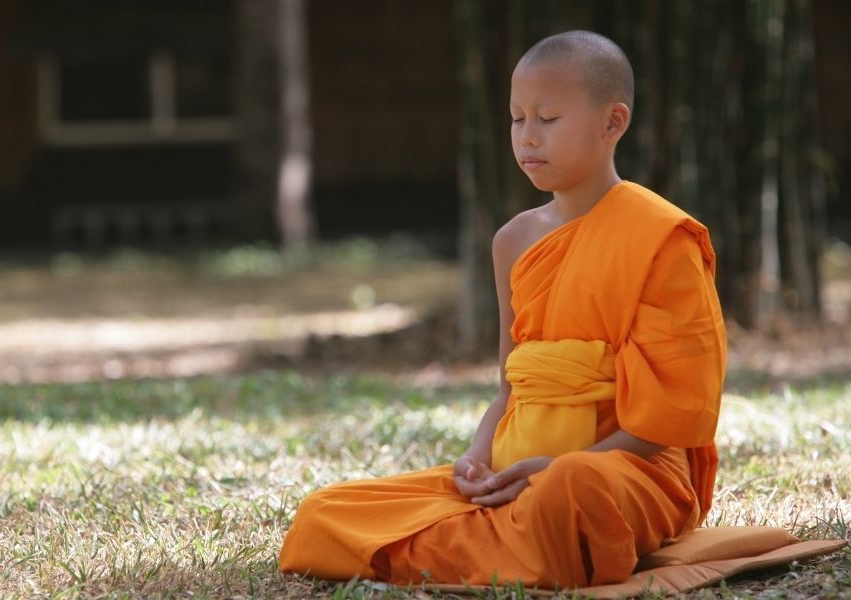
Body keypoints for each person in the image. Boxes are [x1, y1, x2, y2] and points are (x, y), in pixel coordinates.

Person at [279, 30, 727, 589]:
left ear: (613, 122)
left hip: (624, 473)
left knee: (571, 491)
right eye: (517, 119)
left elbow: (668, 423)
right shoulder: (513, 241)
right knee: (326, 511)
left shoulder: (662, 238)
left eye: (548, 118)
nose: (527, 138)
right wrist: (476, 459)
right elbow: (512, 387)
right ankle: (521, 542)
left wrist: (551, 470)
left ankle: (514, 539)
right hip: (514, 472)